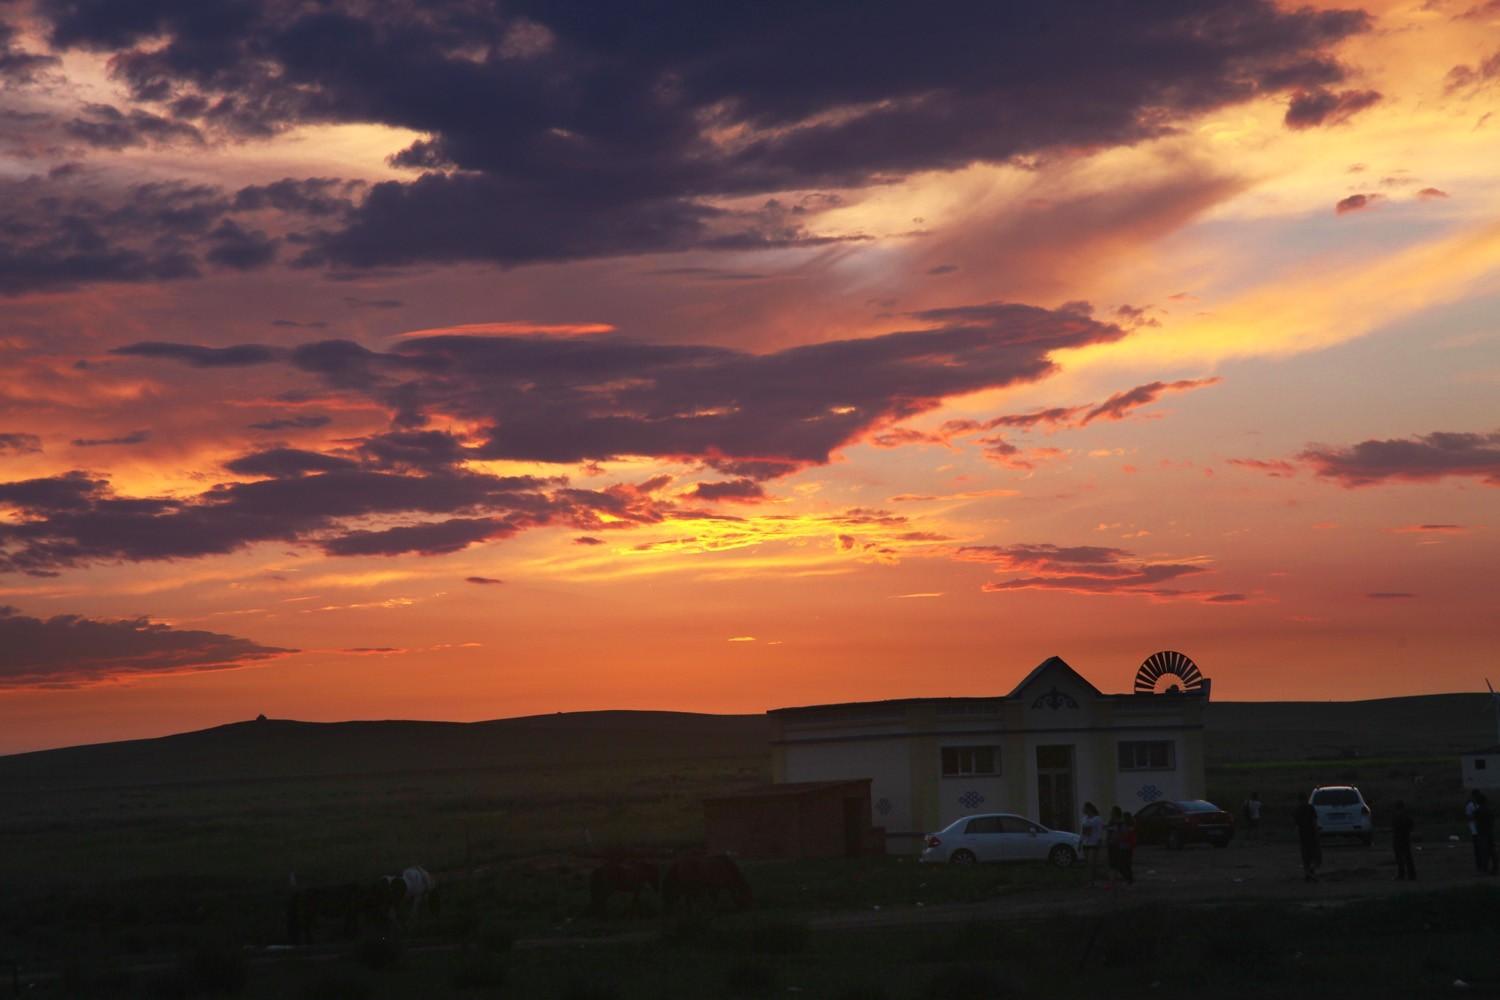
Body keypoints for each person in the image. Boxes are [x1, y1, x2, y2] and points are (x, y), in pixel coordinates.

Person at [1293, 791, 1321, 883]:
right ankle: (1311, 872)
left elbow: (1296, 826)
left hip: (1303, 835)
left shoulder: (1297, 810)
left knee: (1305, 856)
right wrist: (1317, 833)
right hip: (1311, 835)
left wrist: (1297, 837)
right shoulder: (1310, 808)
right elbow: (1314, 822)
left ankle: (1307, 874)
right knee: (1314, 855)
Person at [1080, 802, 1105, 885]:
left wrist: (1099, 841)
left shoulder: (1097, 819)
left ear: (1089, 809)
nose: (1083, 809)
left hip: (1094, 843)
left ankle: (1092, 880)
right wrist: (1080, 841)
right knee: (1087, 863)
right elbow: (1083, 831)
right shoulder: (1084, 818)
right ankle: (1088, 880)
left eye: (1084, 808)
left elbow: (1100, 831)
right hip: (1085, 843)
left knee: (1091, 862)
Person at [1473, 791, 1497, 876]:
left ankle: (1484, 869)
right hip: (1490, 831)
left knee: (1484, 851)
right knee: (1492, 850)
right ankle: (1495, 868)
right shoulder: (1490, 810)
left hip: (1482, 833)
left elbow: (1475, 821)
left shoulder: (1477, 811)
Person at [1391, 800, 1415, 881]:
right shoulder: (1406, 816)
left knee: (1400, 858)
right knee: (1408, 857)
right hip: (1405, 838)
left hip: (1399, 839)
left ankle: (1402, 875)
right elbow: (1411, 825)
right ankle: (1411, 875)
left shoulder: (1397, 817)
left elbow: (1395, 827)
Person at [1105, 806, 1125, 884]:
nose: (1111, 813)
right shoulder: (1111, 821)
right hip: (1111, 844)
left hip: (1118, 845)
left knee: (1117, 862)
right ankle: (1112, 879)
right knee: (1111, 862)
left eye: (1112, 811)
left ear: (1115, 813)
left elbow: (1122, 834)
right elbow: (1108, 833)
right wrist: (1107, 841)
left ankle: (1117, 878)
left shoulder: (1120, 822)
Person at [1117, 811, 1137, 886]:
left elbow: (1124, 836)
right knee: (1127, 864)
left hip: (1125, 847)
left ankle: (1128, 879)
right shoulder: (1130, 826)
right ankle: (1129, 879)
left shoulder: (1125, 826)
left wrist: (1119, 838)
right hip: (1128, 847)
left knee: (1123, 864)